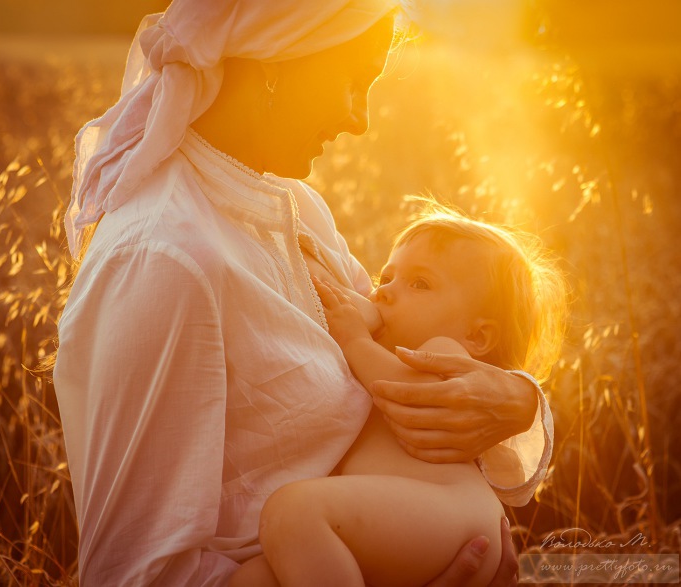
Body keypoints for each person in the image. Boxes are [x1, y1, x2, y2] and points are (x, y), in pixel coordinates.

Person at [52, 1, 555, 585]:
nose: (359, 120)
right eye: (353, 82)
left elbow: (411, 356)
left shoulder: (295, 210)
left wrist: (519, 400)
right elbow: (131, 574)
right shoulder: (167, 258)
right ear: (280, 59)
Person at [229, 203, 567, 587]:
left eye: (419, 283)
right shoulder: (382, 350)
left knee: (292, 514)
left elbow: (413, 395)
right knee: (251, 579)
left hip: (452, 513)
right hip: (404, 523)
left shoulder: (447, 353)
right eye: (385, 277)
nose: (386, 293)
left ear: (477, 336)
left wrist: (355, 338)